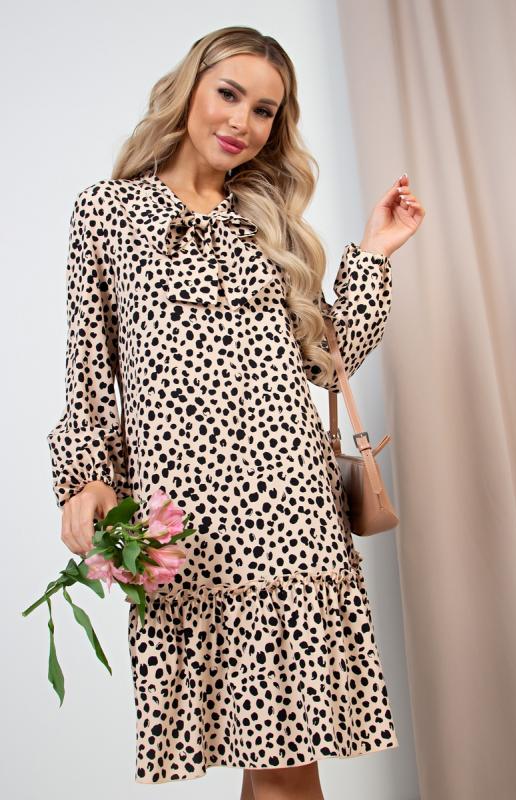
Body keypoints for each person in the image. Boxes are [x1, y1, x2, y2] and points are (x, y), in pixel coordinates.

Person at [46, 25, 424, 800]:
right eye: (229, 94)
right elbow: (88, 371)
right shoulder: (106, 213)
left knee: (284, 763)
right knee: (273, 764)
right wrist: (84, 480)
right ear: (189, 88)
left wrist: (375, 252)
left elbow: (325, 358)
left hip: (289, 514)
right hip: (185, 526)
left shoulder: (268, 221)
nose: (241, 122)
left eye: (263, 110)